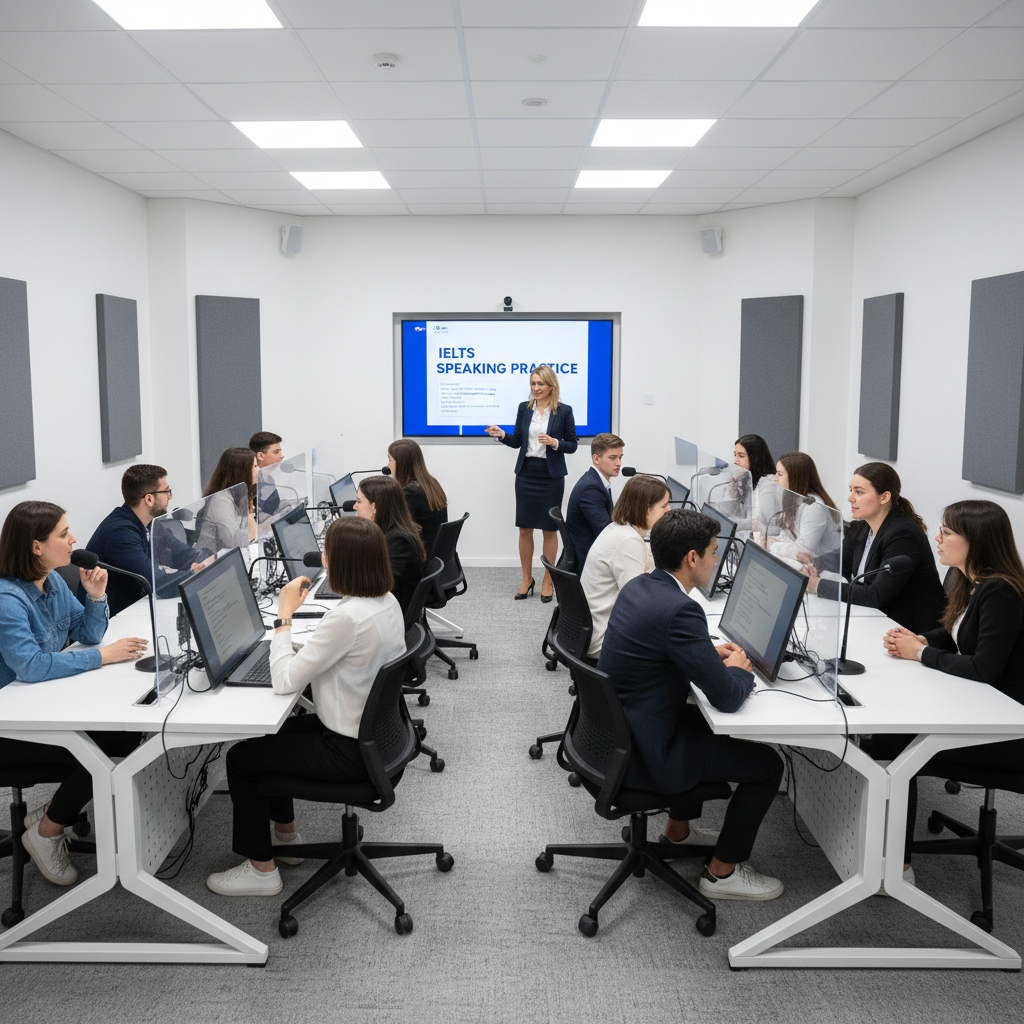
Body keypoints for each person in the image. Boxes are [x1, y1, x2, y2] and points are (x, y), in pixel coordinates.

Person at [205, 516, 406, 897]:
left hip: (348, 752)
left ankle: (261, 871)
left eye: (327, 551)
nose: (321, 556)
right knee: (272, 734)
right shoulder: (385, 601)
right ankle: (285, 838)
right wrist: (302, 649)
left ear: (342, 562)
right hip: (375, 738)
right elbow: (343, 656)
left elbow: (284, 682)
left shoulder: (346, 617)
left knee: (242, 760)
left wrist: (283, 621)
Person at [598, 509, 785, 900]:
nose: (716, 561)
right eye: (714, 552)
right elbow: (728, 698)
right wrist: (740, 669)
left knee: (698, 722)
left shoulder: (641, 587)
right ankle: (722, 873)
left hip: (613, 735)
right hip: (646, 753)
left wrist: (705, 652)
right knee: (768, 765)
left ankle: (677, 832)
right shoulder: (682, 610)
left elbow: (659, 648)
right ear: (692, 558)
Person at [0, 502, 147, 887]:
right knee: (100, 746)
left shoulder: (51, 583)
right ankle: (47, 831)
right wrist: (102, 658)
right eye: (64, 534)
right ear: (35, 546)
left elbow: (88, 632)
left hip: (39, 707)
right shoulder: (7, 600)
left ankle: (51, 816)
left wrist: (95, 596)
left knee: (127, 735)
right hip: (9, 727)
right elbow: (30, 666)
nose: (74, 540)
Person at [881, 500, 1024, 886]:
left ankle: (898, 868)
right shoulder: (970, 579)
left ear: (975, 541)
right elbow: (960, 632)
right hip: (982, 708)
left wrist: (922, 653)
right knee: (883, 738)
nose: (937, 538)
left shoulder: (1002, 592)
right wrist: (923, 639)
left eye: (947, 532)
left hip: (1007, 729)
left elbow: (982, 667)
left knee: (897, 747)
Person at [803, 462, 945, 634]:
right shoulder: (862, 527)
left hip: (911, 631)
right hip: (875, 618)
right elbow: (837, 561)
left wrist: (817, 585)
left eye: (859, 492)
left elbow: (876, 595)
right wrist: (807, 567)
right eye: (851, 491)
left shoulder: (903, 534)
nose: (850, 498)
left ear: (884, 497)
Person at [486, 365, 578, 602]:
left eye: (540, 384)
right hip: (526, 473)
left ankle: (548, 579)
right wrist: (501, 435)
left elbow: (573, 444)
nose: (536, 388)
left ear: (551, 386)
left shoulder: (564, 411)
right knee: (525, 528)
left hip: (551, 476)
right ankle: (527, 578)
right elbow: (518, 441)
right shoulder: (524, 409)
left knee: (549, 529)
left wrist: (555, 442)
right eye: (533, 384)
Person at [84, 464, 205, 615]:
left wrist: (207, 560)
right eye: (167, 491)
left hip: (138, 607)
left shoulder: (151, 523)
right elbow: (157, 583)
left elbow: (182, 554)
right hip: (114, 619)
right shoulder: (121, 534)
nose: (170, 496)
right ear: (149, 499)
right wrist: (194, 573)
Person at [581, 474, 669, 659]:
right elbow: (638, 605)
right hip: (604, 639)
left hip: (592, 629)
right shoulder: (628, 541)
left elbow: (651, 564)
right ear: (646, 509)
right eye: (664, 506)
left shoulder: (619, 529)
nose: (669, 511)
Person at [354, 475, 426, 616]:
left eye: (358, 501)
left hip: (391, 618)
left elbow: (379, 589)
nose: (354, 506)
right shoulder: (394, 530)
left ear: (374, 507)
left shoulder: (397, 540)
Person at [766, 452, 840, 563]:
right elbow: (786, 536)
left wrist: (772, 544)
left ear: (795, 477)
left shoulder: (814, 507)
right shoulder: (792, 498)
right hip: (803, 563)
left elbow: (803, 551)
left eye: (780, 474)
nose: (774, 479)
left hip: (823, 568)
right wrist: (773, 543)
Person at [565, 432, 624, 571]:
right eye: (613, 458)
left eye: (620, 457)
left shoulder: (597, 481)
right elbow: (606, 531)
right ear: (596, 459)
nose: (619, 463)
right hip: (589, 563)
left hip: (593, 553)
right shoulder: (590, 488)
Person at [387, 438, 448, 558]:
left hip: (421, 557)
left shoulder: (412, 492)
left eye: (390, 460)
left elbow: (393, 526)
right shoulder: (430, 483)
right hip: (435, 556)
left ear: (401, 463)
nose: (388, 465)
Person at [199, 447, 258, 554]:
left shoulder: (241, 495)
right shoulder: (220, 500)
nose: (258, 470)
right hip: (210, 562)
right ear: (242, 471)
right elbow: (234, 542)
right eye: (254, 466)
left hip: (233, 556)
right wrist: (251, 517)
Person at [250, 431, 283, 517]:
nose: (281, 456)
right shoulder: (251, 481)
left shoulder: (270, 479)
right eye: (276, 452)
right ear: (260, 456)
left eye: (280, 451)